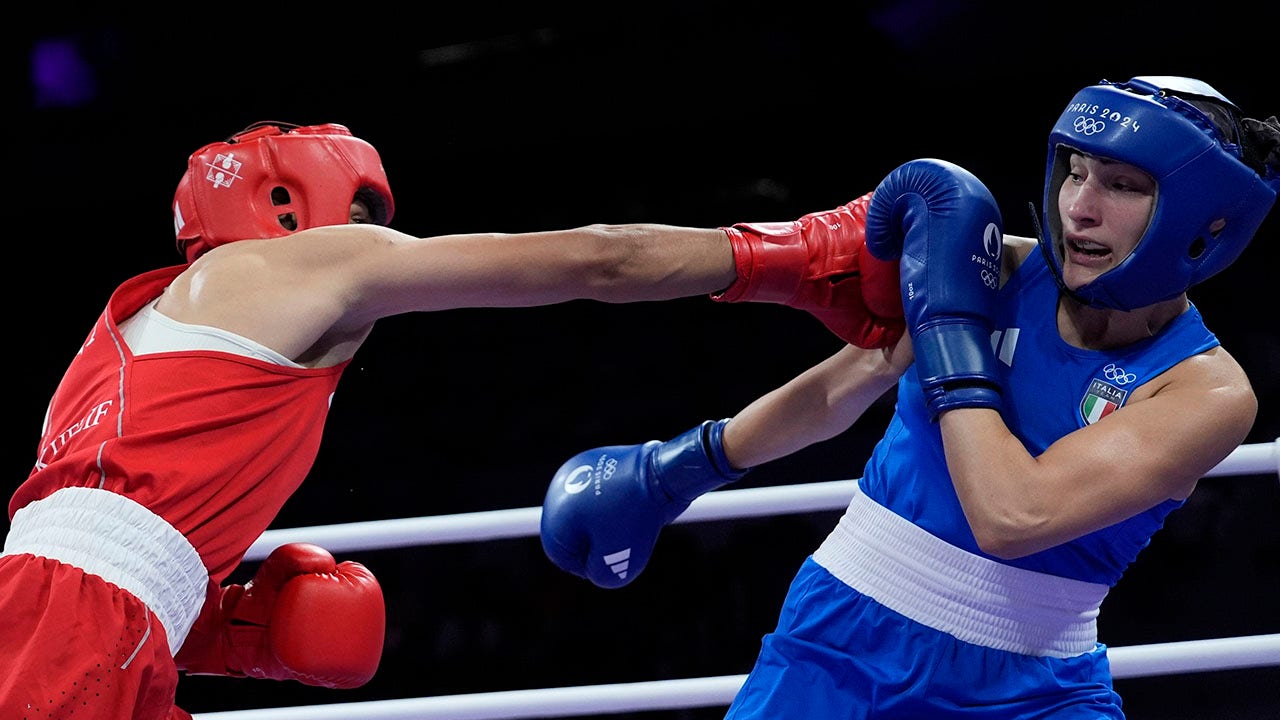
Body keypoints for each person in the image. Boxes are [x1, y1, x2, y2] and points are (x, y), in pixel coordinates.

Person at [0, 119, 905, 720]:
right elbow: (601, 260)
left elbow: (80, 559)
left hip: (88, 624)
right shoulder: (304, 267)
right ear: (287, 208)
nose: (368, 234)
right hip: (85, 628)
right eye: (353, 212)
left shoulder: (114, 344)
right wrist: (797, 254)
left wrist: (225, 634)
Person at [539, 76, 1280, 717]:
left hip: (1035, 689)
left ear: (1200, 216)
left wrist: (950, 333)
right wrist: (681, 467)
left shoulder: (1204, 390)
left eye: (1122, 185)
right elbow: (841, 388)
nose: (1079, 208)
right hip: (836, 644)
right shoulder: (999, 270)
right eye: (1076, 172)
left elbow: (1014, 514)